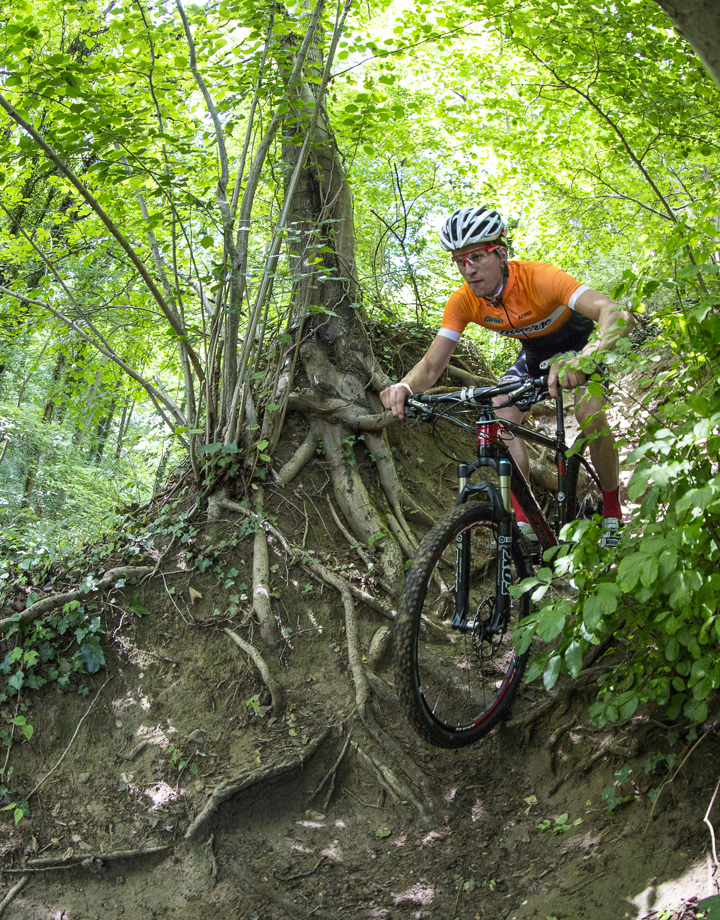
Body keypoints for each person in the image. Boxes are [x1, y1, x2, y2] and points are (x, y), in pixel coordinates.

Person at [380, 205, 633, 546]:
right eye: (459, 261)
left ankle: (613, 508)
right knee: (498, 420)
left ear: (501, 254)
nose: (468, 270)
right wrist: (405, 386)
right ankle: (527, 519)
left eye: (477, 257)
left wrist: (588, 357)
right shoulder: (464, 301)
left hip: (581, 345)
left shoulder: (540, 278)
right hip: (535, 357)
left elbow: (615, 312)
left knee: (589, 414)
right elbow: (431, 366)